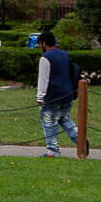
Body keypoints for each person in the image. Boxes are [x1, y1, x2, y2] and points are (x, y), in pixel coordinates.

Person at [37, 29, 80, 157]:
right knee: (65, 119)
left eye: (40, 44)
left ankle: (53, 150)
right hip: (67, 93)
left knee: (49, 121)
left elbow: (43, 79)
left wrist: (40, 96)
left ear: (44, 43)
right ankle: (80, 138)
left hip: (53, 96)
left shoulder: (45, 58)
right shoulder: (65, 54)